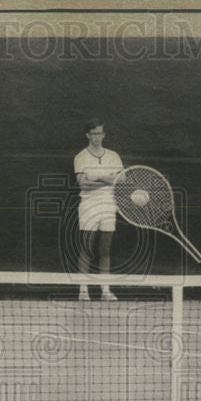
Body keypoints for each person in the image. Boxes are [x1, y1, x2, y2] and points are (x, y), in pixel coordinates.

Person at [74, 118, 123, 301]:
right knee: (86, 249)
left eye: (100, 133)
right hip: (88, 207)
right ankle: (83, 290)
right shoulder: (81, 157)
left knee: (105, 250)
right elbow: (83, 185)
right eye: (93, 134)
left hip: (109, 207)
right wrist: (106, 178)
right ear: (88, 135)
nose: (97, 137)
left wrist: (94, 179)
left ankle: (105, 290)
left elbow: (121, 180)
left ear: (104, 135)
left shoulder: (113, 156)